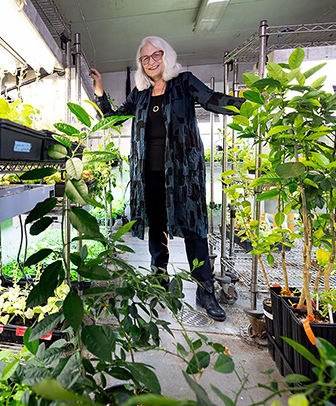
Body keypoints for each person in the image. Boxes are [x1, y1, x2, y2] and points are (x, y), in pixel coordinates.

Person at [90, 36, 244, 322]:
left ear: (166, 55)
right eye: (144, 58)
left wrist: (253, 105)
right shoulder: (140, 94)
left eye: (155, 55)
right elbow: (111, 118)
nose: (151, 62)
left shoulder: (184, 82)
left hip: (183, 174)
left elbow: (212, 99)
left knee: (195, 231)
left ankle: (205, 290)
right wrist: (99, 91)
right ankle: (159, 281)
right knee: (157, 229)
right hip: (149, 174)